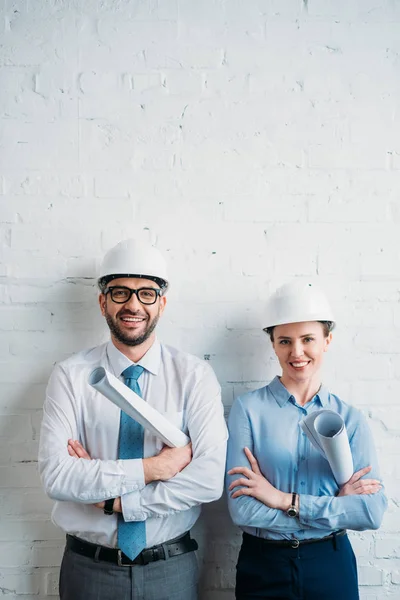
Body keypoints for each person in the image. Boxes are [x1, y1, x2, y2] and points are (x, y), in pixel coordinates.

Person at [39, 238, 228, 600]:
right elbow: (57, 476)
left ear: (162, 303)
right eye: (120, 292)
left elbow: (207, 480)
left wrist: (115, 501)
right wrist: (155, 468)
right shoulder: (70, 376)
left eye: (146, 293)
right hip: (88, 570)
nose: (133, 305)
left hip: (170, 568)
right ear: (102, 301)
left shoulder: (194, 375)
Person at [226, 281, 387, 600]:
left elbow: (370, 513)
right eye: (285, 340)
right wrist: (336, 506)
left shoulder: (350, 418)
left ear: (327, 341)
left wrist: (284, 500)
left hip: (330, 563)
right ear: (272, 344)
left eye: (308, 339)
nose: (296, 352)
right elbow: (242, 510)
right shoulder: (248, 410)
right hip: (263, 564)